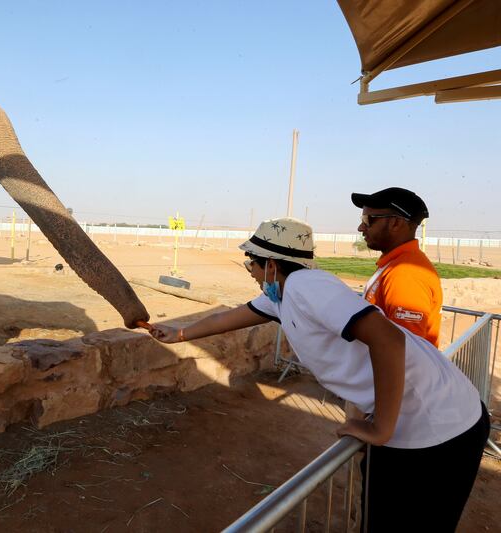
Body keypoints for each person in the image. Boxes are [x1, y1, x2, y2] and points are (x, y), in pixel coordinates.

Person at [149, 217, 488, 532]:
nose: (249, 270)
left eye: (250, 262)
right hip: (412, 419)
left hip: (439, 428)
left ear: (271, 264)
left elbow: (388, 338)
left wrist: (380, 428)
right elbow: (234, 316)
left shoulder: (307, 286)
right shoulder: (281, 295)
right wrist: (179, 334)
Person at [352, 187, 442, 347]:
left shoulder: (406, 274)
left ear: (395, 223)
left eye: (368, 220)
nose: (361, 227)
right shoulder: (396, 264)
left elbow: (406, 351)